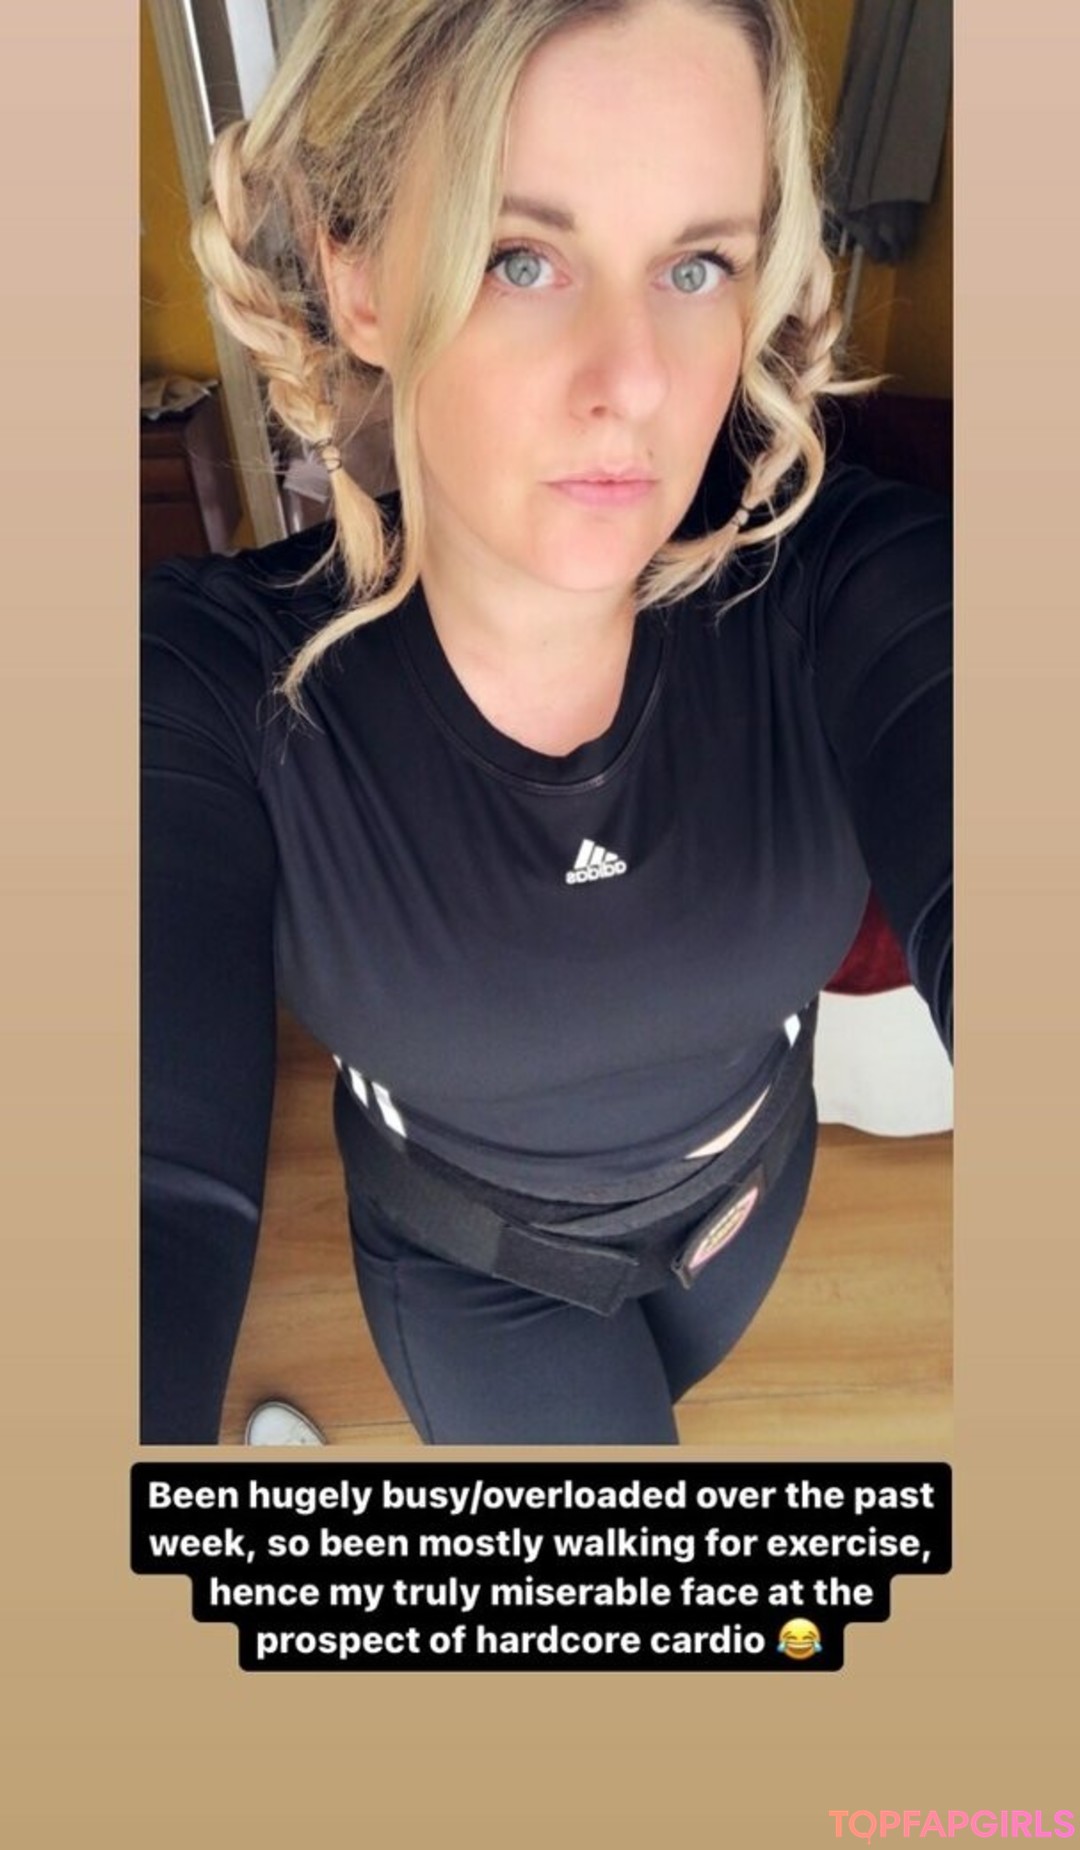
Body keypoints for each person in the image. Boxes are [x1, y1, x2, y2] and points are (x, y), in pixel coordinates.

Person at [141, 0, 951, 1445]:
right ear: (359, 273)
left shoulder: (841, 589)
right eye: (522, 257)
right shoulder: (212, 688)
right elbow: (144, 1192)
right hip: (477, 1278)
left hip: (748, 1209)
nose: (633, 383)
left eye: (696, 265)